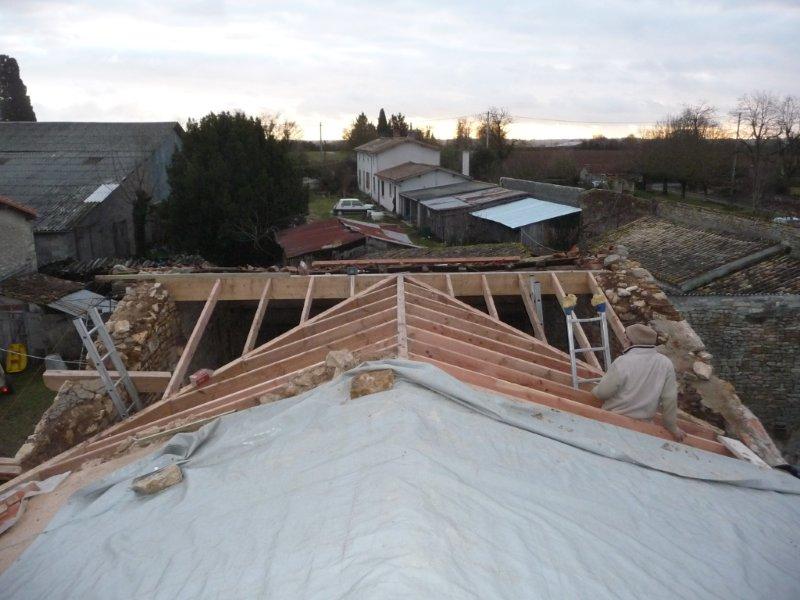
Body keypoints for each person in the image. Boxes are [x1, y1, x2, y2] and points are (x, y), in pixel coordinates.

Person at [592, 323, 686, 442]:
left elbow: (603, 393)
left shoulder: (623, 362)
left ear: (630, 341)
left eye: (626, 338)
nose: (624, 341)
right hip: (644, 426)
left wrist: (594, 390)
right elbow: (669, 399)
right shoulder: (665, 363)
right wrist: (672, 428)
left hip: (613, 420)